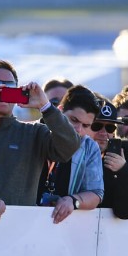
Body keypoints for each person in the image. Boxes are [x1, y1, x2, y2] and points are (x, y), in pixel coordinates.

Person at [0, 60, 80, 206]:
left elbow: (70, 146)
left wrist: (46, 107)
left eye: (9, 86)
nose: (2, 91)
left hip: (18, 224)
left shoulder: (34, 133)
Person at [41, 87, 109, 222]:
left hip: (62, 224)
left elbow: (96, 193)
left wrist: (73, 201)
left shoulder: (89, 146)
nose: (78, 129)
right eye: (74, 120)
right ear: (59, 110)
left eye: (86, 125)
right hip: (24, 219)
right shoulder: (35, 132)